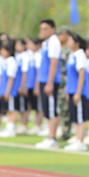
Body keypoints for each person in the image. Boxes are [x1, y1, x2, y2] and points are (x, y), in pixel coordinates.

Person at [35, 19, 62, 149]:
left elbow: (54, 63)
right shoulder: (46, 43)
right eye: (41, 29)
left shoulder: (54, 42)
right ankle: (49, 136)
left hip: (49, 81)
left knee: (51, 109)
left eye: (45, 28)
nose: (43, 31)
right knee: (46, 109)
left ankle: (52, 138)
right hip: (43, 80)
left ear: (52, 29)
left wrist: (49, 82)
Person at [64, 33, 88, 151]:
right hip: (71, 90)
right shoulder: (72, 55)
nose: (68, 43)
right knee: (75, 116)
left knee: (80, 116)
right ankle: (77, 138)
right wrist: (67, 89)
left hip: (79, 91)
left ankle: (80, 141)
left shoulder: (80, 55)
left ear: (76, 43)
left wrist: (78, 92)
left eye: (70, 40)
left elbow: (81, 73)